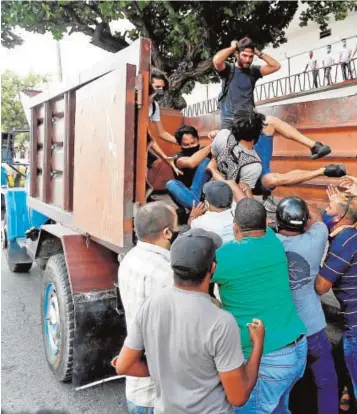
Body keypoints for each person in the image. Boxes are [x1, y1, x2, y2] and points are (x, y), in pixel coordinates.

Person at [116, 228, 265, 414]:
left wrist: (166, 372)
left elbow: (124, 365)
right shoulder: (221, 322)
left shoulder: (151, 304)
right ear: (212, 268)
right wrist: (257, 345)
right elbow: (239, 396)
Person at [213, 198, 307, 413]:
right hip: (297, 347)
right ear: (266, 224)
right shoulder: (273, 240)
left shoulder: (224, 256)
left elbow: (192, 279)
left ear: (235, 227)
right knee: (280, 408)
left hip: (265, 358)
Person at [210, 109, 344, 213]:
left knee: (270, 121)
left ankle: (315, 146)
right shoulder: (225, 139)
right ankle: (323, 171)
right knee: (272, 180)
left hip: (252, 159)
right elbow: (244, 190)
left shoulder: (229, 135)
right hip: (248, 179)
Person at [275, 196, 338, 414]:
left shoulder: (270, 244)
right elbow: (318, 217)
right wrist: (305, 205)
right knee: (327, 381)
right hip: (313, 326)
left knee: (282, 388)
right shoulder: (316, 238)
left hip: (284, 329)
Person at [118, 201, 179, 413]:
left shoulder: (129, 259)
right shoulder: (168, 273)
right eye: (176, 228)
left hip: (136, 389)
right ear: (166, 232)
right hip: (159, 395)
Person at [315, 185, 357, 404]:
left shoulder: (344, 241)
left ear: (339, 216)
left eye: (329, 207)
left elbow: (321, 286)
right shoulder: (351, 235)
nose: (325, 210)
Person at [213, 36, 281, 129]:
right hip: (230, 119)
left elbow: (276, 66)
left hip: (248, 119)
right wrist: (233, 47)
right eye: (244, 55)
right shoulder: (228, 69)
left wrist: (257, 52)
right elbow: (217, 60)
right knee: (229, 143)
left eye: (251, 56)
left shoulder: (253, 71)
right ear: (237, 54)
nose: (248, 60)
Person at [166, 125, 212, 210]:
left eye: (193, 143)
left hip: (205, 194)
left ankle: (197, 206)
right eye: (186, 145)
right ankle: (201, 208)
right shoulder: (177, 157)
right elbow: (191, 162)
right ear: (180, 144)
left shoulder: (204, 151)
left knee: (205, 160)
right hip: (184, 196)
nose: (191, 146)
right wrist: (213, 144)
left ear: (198, 140)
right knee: (171, 184)